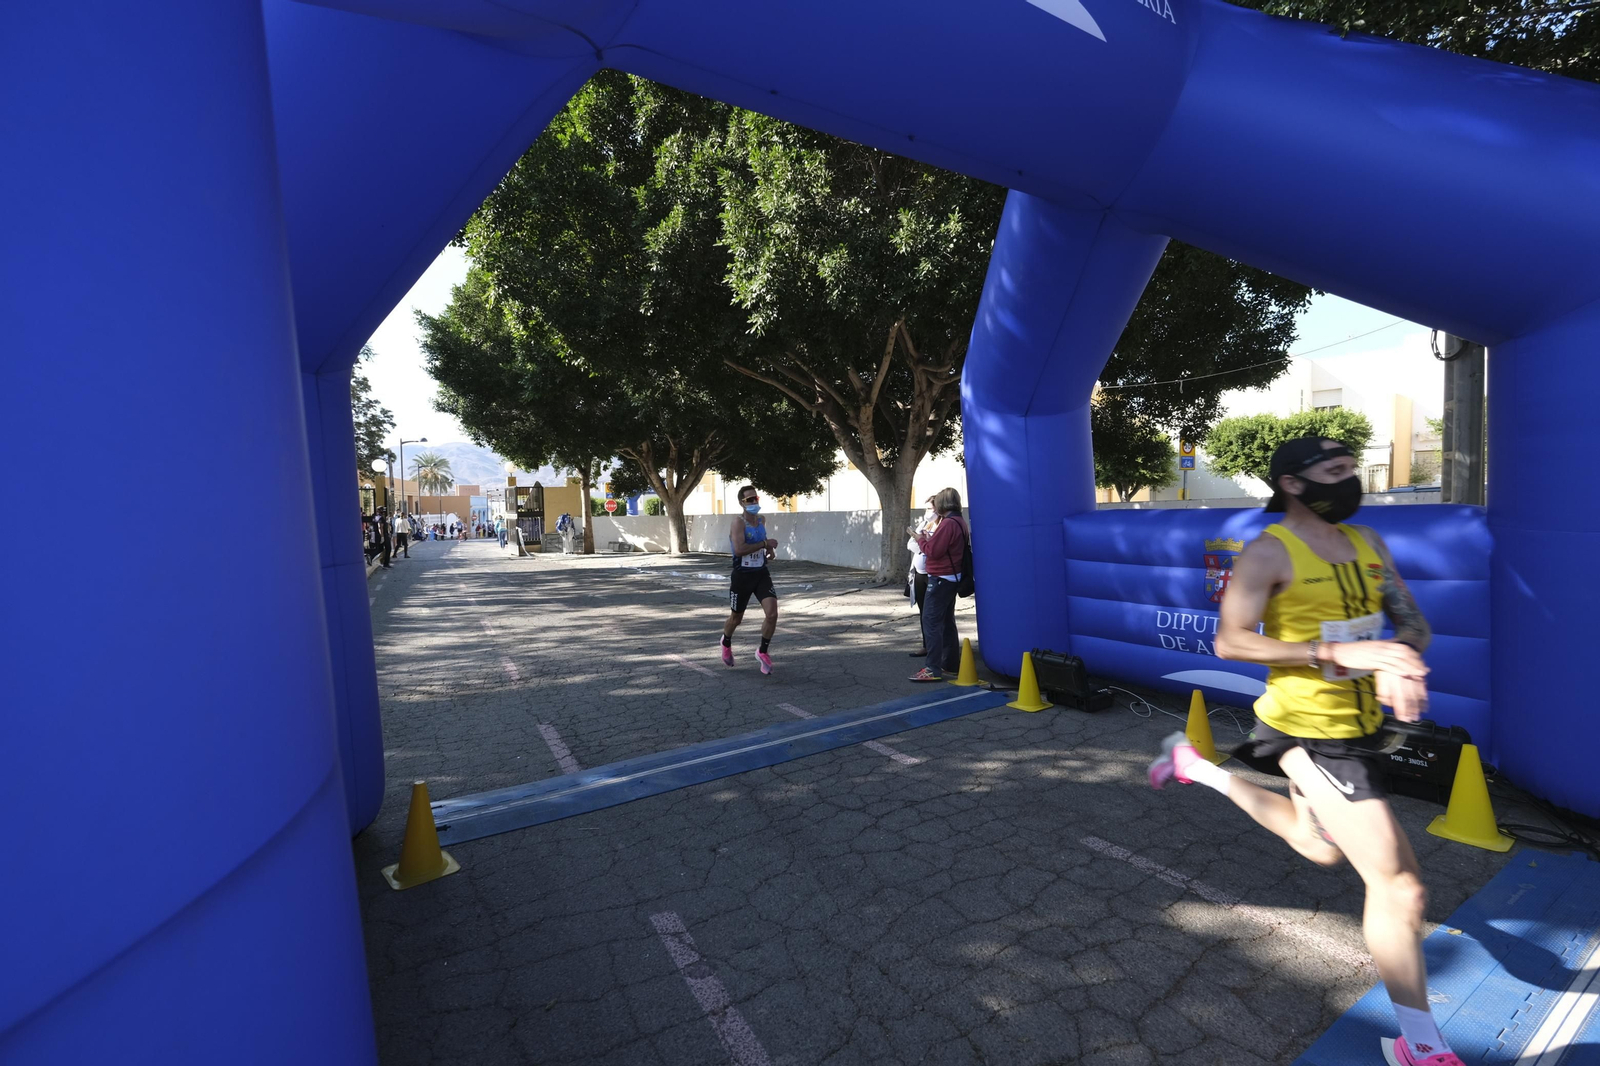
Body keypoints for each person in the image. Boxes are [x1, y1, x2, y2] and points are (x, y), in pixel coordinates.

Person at [1147, 437, 1455, 1066]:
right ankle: (1421, 1045)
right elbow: (1231, 641)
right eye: (1334, 471)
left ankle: (1195, 766)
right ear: (1293, 482)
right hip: (1308, 733)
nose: (1350, 479)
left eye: (1350, 468)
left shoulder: (1369, 543)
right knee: (1400, 889)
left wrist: (1401, 657)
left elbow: (1413, 623)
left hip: (1363, 729)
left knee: (1318, 847)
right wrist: (1333, 652)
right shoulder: (1270, 551)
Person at [909, 488, 968, 681]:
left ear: (942, 504)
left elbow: (933, 551)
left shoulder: (948, 524)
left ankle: (932, 668)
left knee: (931, 621)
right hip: (951, 577)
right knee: (946, 621)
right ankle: (949, 664)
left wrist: (921, 540)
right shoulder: (959, 521)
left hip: (941, 578)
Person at [721, 484, 779, 675]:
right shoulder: (738, 523)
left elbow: (763, 541)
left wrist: (769, 550)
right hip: (742, 577)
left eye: (756, 498)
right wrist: (764, 543)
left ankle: (762, 651)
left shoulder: (761, 520)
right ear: (742, 503)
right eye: (750, 499)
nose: (754, 502)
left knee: (772, 614)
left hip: (761, 574)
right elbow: (739, 549)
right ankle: (726, 642)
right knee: (736, 618)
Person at [905, 496, 938, 657]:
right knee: (923, 611)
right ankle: (927, 645)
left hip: (933, 574)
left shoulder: (942, 525)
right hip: (919, 573)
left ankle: (938, 648)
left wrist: (923, 542)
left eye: (930, 509)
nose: (928, 512)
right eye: (927, 508)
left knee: (934, 613)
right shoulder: (924, 524)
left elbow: (934, 549)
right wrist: (922, 543)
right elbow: (911, 544)